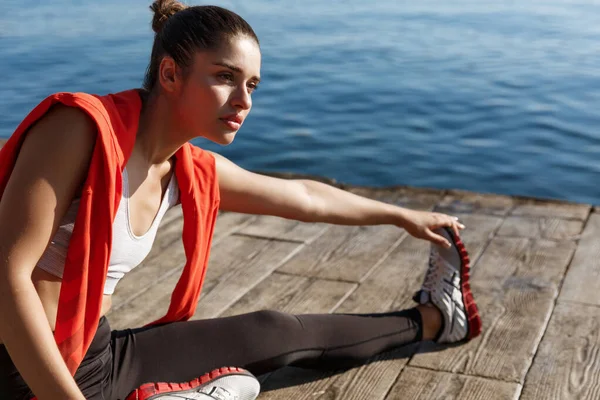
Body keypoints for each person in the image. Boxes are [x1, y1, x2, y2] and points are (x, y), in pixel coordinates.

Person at [0, 1, 481, 399]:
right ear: (170, 73)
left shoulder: (185, 168)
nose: (244, 100)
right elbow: (6, 275)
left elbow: (304, 197)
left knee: (276, 332)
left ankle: (436, 319)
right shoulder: (80, 130)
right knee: (236, 388)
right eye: (225, 77)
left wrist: (402, 216)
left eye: (251, 84)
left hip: (94, 360)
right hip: (23, 371)